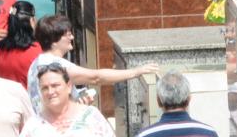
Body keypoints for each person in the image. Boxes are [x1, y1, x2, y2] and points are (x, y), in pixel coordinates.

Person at [25, 14, 157, 114]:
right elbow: (96, 77)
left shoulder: (36, 63)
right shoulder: (56, 65)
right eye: (68, 35)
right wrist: (136, 71)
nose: (72, 38)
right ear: (54, 41)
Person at [0, 0, 39, 86]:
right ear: (32, 21)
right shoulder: (36, 51)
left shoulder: (0, 49)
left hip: (4, 96)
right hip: (26, 98)